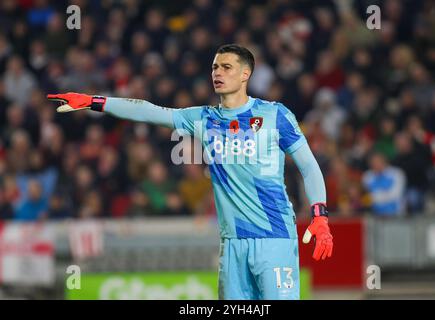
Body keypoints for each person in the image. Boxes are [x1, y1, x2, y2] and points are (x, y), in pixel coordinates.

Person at [47, 44, 333, 300]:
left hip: (274, 239)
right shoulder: (203, 118)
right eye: (214, 67)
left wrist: (319, 215)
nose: (217, 72)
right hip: (232, 245)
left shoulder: (275, 115)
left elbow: (308, 165)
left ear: (245, 74)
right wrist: (92, 101)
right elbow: (148, 111)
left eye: (226, 67)